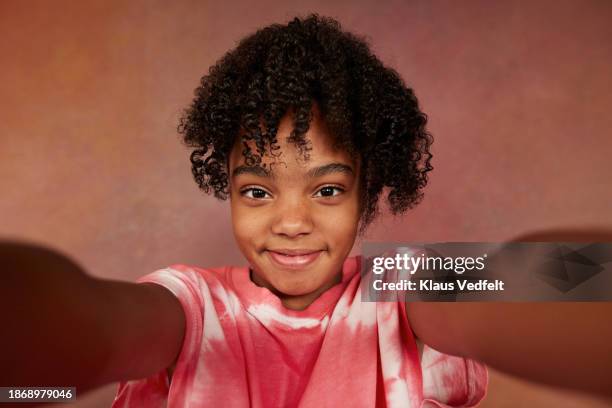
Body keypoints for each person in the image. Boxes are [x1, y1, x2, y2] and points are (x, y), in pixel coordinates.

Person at [2, 13, 612, 408]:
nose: (291, 223)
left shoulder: (403, 285)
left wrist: (566, 283)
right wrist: (38, 380)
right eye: (258, 191)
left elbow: (533, 279)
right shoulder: (192, 305)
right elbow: (77, 339)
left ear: (368, 191)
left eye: (326, 190)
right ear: (229, 190)